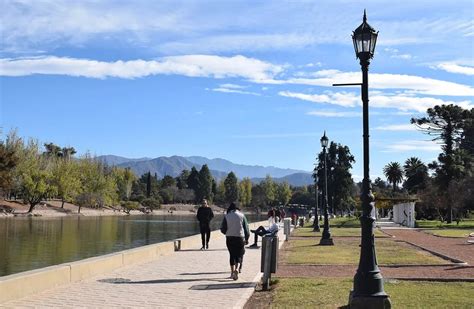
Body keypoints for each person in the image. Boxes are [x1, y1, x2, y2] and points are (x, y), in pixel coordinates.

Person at [220, 202, 249, 280]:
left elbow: (222, 229)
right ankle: (237, 269)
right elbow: (246, 229)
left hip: (229, 238)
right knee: (239, 254)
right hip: (239, 237)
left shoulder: (227, 216)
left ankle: (232, 273)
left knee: (232, 255)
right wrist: (246, 239)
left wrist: (228, 232)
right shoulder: (242, 215)